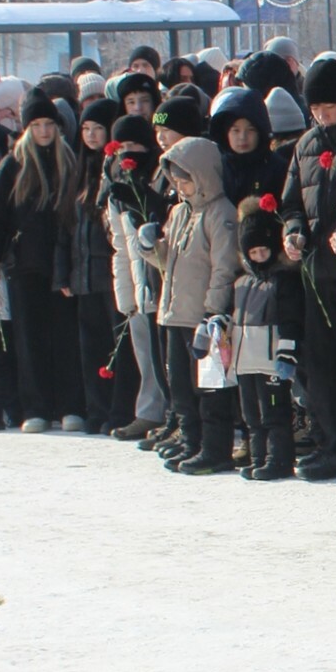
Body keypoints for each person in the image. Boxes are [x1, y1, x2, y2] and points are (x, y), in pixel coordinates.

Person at [278, 56, 336, 481]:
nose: (321, 114)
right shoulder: (307, 144)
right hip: (317, 270)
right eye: (314, 108)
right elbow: (292, 201)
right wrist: (294, 231)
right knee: (321, 364)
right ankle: (333, 444)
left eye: (328, 106)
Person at [139, 135, 238, 473]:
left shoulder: (220, 212)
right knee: (180, 386)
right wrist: (150, 247)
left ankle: (215, 448)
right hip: (175, 314)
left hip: (202, 317)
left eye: (185, 176)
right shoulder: (180, 212)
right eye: (175, 178)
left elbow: (224, 266)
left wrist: (213, 311)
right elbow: (168, 261)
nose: (179, 184)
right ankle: (190, 441)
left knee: (209, 389)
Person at [0, 95, 86, 431]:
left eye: (49, 124)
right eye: (37, 125)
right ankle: (35, 407)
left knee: (64, 337)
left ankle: (70, 405)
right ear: (27, 128)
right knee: (28, 338)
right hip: (23, 264)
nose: (44, 131)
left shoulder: (69, 161)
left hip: (63, 264)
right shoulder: (13, 165)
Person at [99, 114, 169, 441]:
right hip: (138, 279)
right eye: (122, 147)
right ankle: (150, 411)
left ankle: (174, 413)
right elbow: (119, 244)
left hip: (166, 276)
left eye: (135, 146)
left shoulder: (158, 177)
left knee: (169, 353)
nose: (129, 153)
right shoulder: (116, 186)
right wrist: (125, 294)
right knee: (145, 350)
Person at [227, 197, 302, 480]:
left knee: (274, 412)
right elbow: (232, 314)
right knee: (252, 415)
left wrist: (287, 350)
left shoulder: (282, 280)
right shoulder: (242, 282)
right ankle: (258, 457)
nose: (259, 256)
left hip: (271, 360)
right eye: (253, 252)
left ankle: (279, 458)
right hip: (246, 360)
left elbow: (290, 319)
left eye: (263, 250)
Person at [67, 97, 123, 437]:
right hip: (82, 275)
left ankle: (117, 409)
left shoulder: (115, 167)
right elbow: (66, 228)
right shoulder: (79, 168)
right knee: (91, 348)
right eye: (85, 128)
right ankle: (97, 408)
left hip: (110, 272)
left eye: (97, 128)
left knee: (116, 347)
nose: (90, 135)